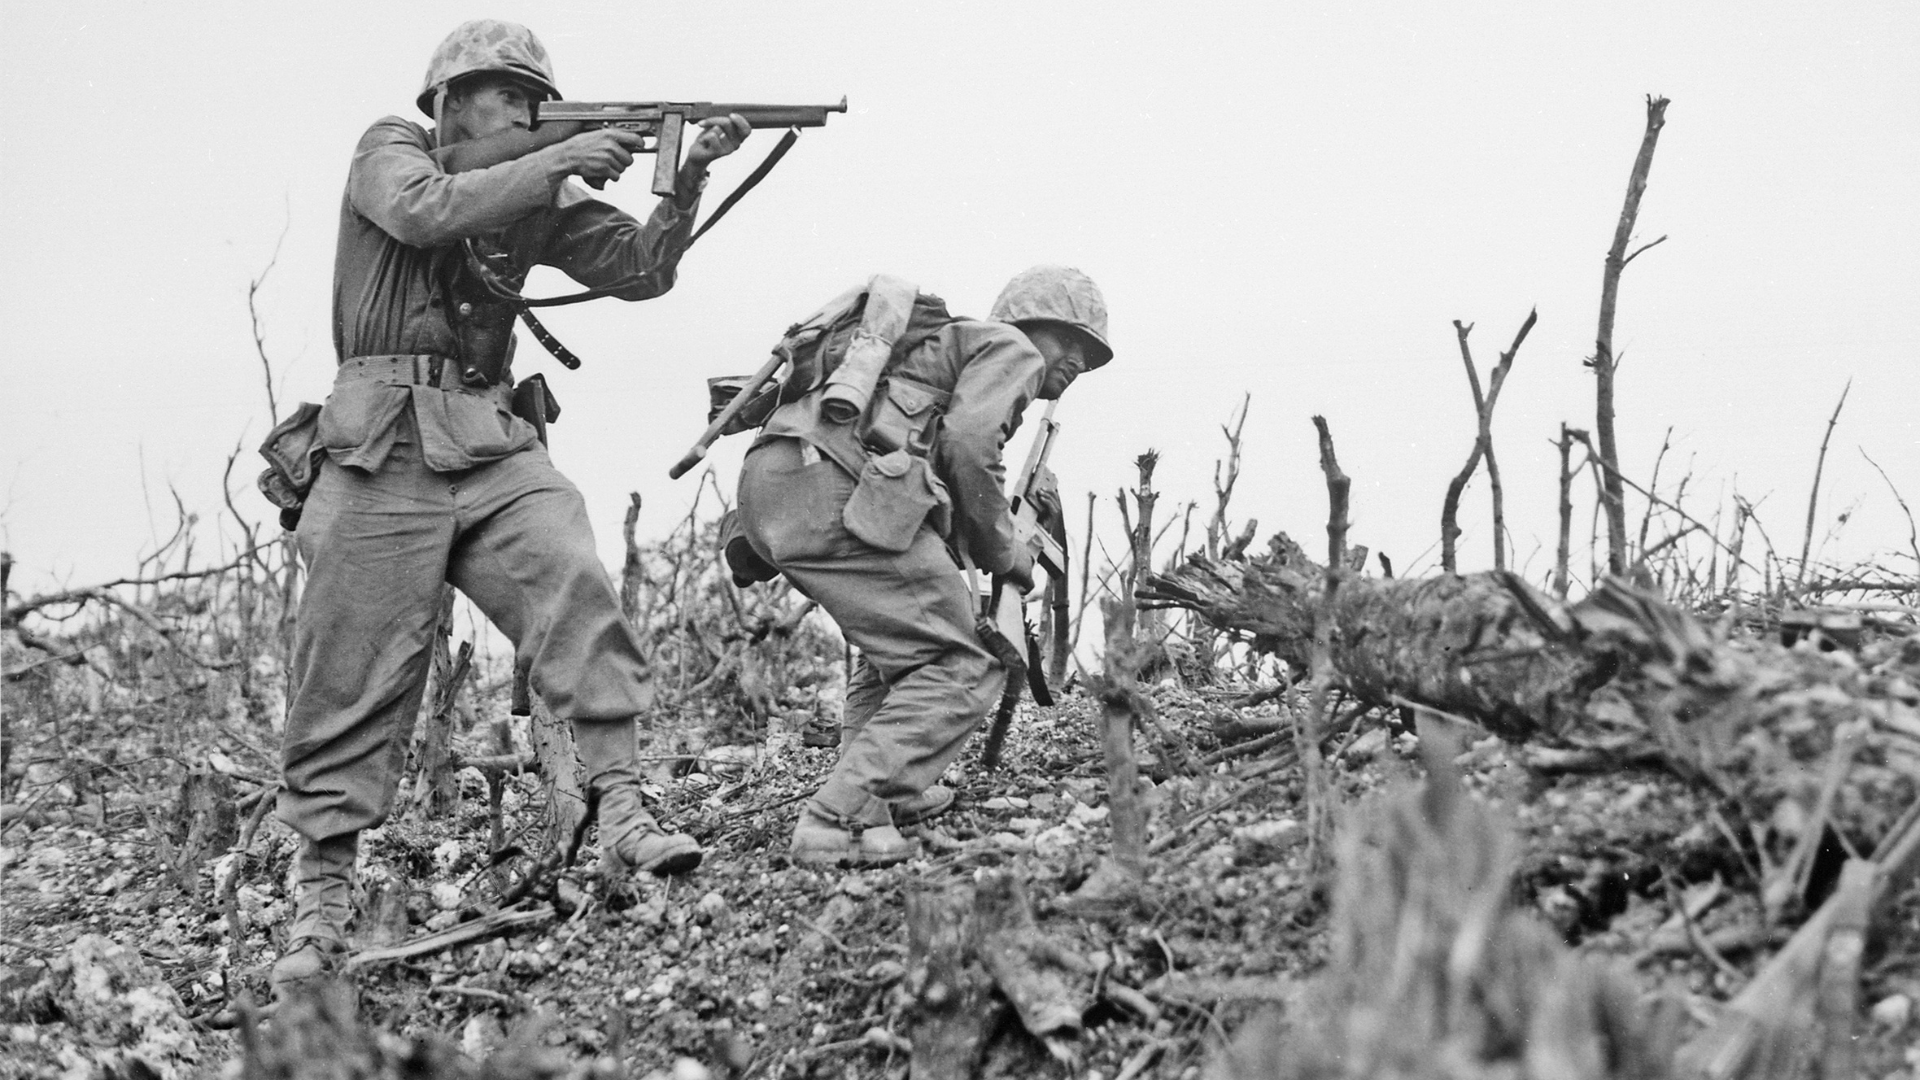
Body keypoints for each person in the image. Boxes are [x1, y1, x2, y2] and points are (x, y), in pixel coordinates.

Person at [268, 19, 750, 995]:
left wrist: (686, 172)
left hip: (488, 439)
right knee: (348, 664)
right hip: (380, 445)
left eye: (540, 95)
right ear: (451, 101)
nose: (531, 109)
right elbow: (420, 210)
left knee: (572, 574)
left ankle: (619, 806)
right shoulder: (391, 149)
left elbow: (638, 270)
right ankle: (320, 895)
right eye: (510, 94)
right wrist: (561, 156)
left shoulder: (537, 187)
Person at [733, 266, 1112, 867]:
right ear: (1033, 325)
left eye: (1090, 358)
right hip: (833, 485)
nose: (1077, 365)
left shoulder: (941, 355)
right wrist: (1004, 551)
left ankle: (882, 795)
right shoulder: (1009, 348)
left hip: (774, 485)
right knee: (964, 659)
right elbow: (968, 446)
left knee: (903, 648)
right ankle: (844, 816)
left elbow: (938, 466)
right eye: (1073, 343)